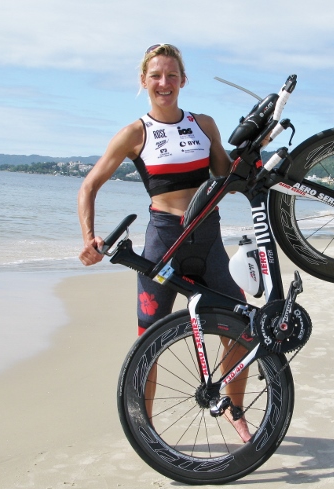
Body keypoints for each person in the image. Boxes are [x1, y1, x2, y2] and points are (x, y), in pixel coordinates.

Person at [77, 44, 251, 442]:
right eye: (156, 75)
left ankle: (233, 407)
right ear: (144, 81)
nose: (164, 82)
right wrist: (89, 237)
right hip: (164, 244)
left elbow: (227, 177)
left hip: (207, 239)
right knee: (149, 340)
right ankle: (147, 426)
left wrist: (251, 157)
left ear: (183, 80)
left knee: (241, 327)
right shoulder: (134, 133)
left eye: (172, 75)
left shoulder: (204, 125)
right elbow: (88, 186)